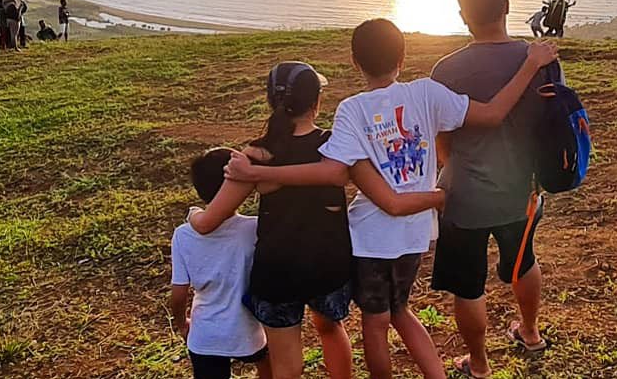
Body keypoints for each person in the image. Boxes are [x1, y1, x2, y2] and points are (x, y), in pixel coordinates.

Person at [226, 20, 558, 379]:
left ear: (356, 63)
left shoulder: (352, 110)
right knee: (400, 309)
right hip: (415, 235)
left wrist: (261, 173)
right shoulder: (427, 93)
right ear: (402, 57)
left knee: (376, 321)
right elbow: (493, 113)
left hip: (371, 239)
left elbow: (334, 172)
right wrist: (530, 63)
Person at [430, 0, 566, 379]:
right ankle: (530, 332)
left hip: (465, 195)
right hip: (522, 191)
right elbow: (552, 123)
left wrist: (452, 170)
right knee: (524, 261)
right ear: (506, 8)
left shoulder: (446, 71)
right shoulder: (540, 60)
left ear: (461, 15)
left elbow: (443, 139)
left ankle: (480, 364)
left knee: (468, 285)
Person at [189, 63, 355, 379]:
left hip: (278, 272)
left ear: (270, 101)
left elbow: (210, 220)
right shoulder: (333, 146)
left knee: (286, 364)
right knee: (331, 329)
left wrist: (194, 217)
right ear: (316, 102)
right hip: (328, 266)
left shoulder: (254, 154)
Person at [170, 148, 272, 379]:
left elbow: (178, 295)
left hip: (205, 334)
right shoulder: (255, 228)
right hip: (248, 330)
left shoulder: (183, 235)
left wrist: (182, 323)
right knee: (269, 368)